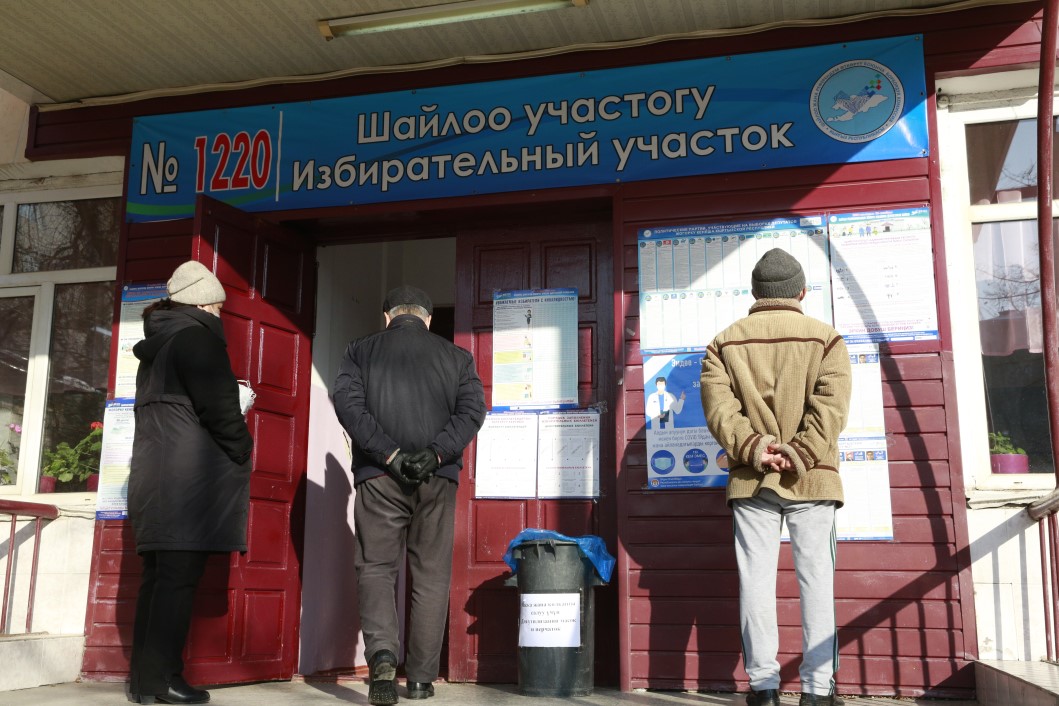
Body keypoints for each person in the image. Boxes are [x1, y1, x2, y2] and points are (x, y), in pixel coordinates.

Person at [700, 248, 852, 706]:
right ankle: (817, 692)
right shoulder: (827, 340)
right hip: (813, 478)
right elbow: (831, 411)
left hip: (751, 480)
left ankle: (763, 689)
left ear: (755, 292)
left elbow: (720, 412)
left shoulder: (723, 344)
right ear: (801, 292)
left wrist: (756, 449)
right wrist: (798, 453)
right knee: (817, 584)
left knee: (755, 584)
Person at [333, 285, 486, 705]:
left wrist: (389, 454)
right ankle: (420, 680)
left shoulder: (359, 351)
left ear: (387, 316)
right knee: (432, 575)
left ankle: (383, 658)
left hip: (379, 477)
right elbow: (472, 412)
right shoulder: (458, 358)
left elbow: (348, 405)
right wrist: (435, 454)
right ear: (428, 319)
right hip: (437, 479)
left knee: (376, 568)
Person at [127, 260, 253, 705]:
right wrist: (243, 446)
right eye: (218, 307)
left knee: (159, 579)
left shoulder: (157, 345)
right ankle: (162, 679)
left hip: (154, 476)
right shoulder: (198, 339)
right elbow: (219, 409)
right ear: (202, 304)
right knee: (177, 582)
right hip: (188, 482)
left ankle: (146, 681)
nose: (219, 315)